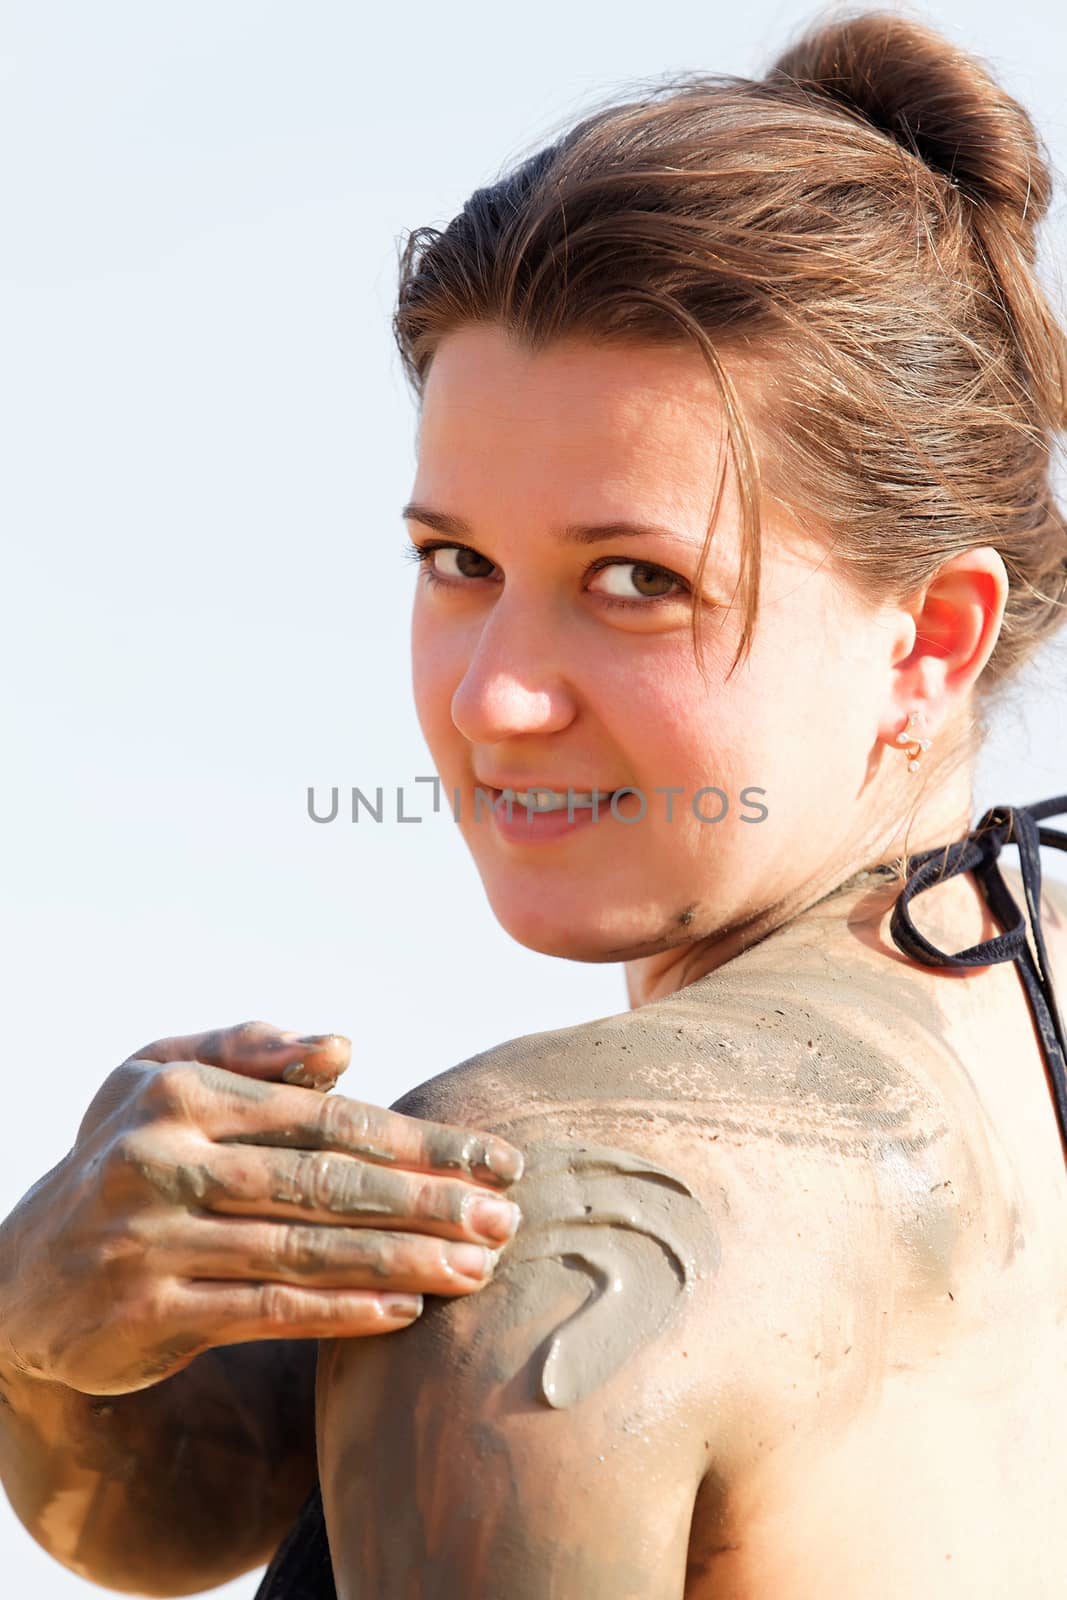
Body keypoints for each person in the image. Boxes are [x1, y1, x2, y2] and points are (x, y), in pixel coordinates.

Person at [3, 6, 1067, 1596]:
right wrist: (43, 1328)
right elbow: (183, 1516)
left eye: (636, 581)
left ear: (929, 640)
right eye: (459, 564)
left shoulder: (548, 1194)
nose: (497, 694)